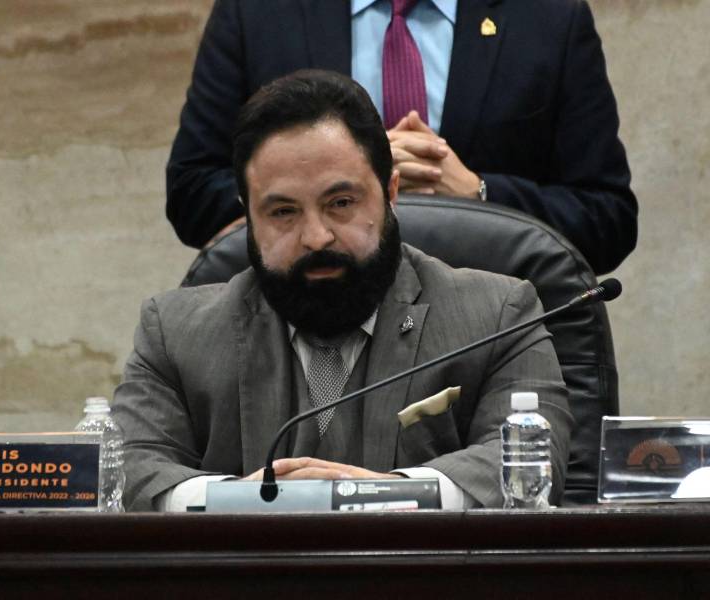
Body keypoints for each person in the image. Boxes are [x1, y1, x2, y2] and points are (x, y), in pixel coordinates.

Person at [116, 70, 572, 512]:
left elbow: (530, 462)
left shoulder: (499, 316)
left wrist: (380, 494)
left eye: (341, 203)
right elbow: (128, 468)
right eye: (282, 212)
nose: (316, 237)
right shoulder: (173, 334)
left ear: (391, 191)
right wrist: (240, 500)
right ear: (248, 216)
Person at [166, 0, 637, 275]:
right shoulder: (258, 14)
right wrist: (340, 178)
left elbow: (607, 220)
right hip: (301, 332)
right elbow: (192, 195)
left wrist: (479, 194)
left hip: (492, 339)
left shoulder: (549, 18)